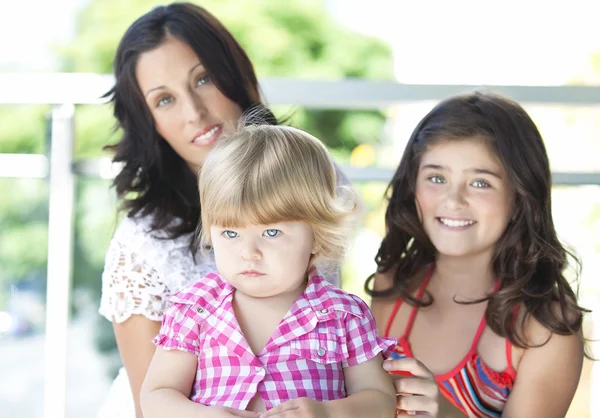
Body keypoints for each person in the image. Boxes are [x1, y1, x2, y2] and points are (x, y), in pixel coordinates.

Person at [97, 4, 351, 418]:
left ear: (236, 74)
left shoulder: (320, 179)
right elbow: (151, 403)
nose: (194, 113)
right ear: (149, 122)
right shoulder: (141, 244)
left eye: (203, 79)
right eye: (164, 100)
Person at [140, 123, 397, 418]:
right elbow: (156, 396)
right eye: (231, 233)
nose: (248, 252)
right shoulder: (194, 309)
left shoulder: (344, 316)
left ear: (317, 235)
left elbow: (380, 400)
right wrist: (205, 415)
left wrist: (327, 412)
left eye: (271, 232)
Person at [368, 92, 588, 417]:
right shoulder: (393, 287)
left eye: (480, 183)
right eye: (437, 178)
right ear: (412, 186)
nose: (454, 200)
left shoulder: (545, 326)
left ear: (520, 197)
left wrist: (445, 412)